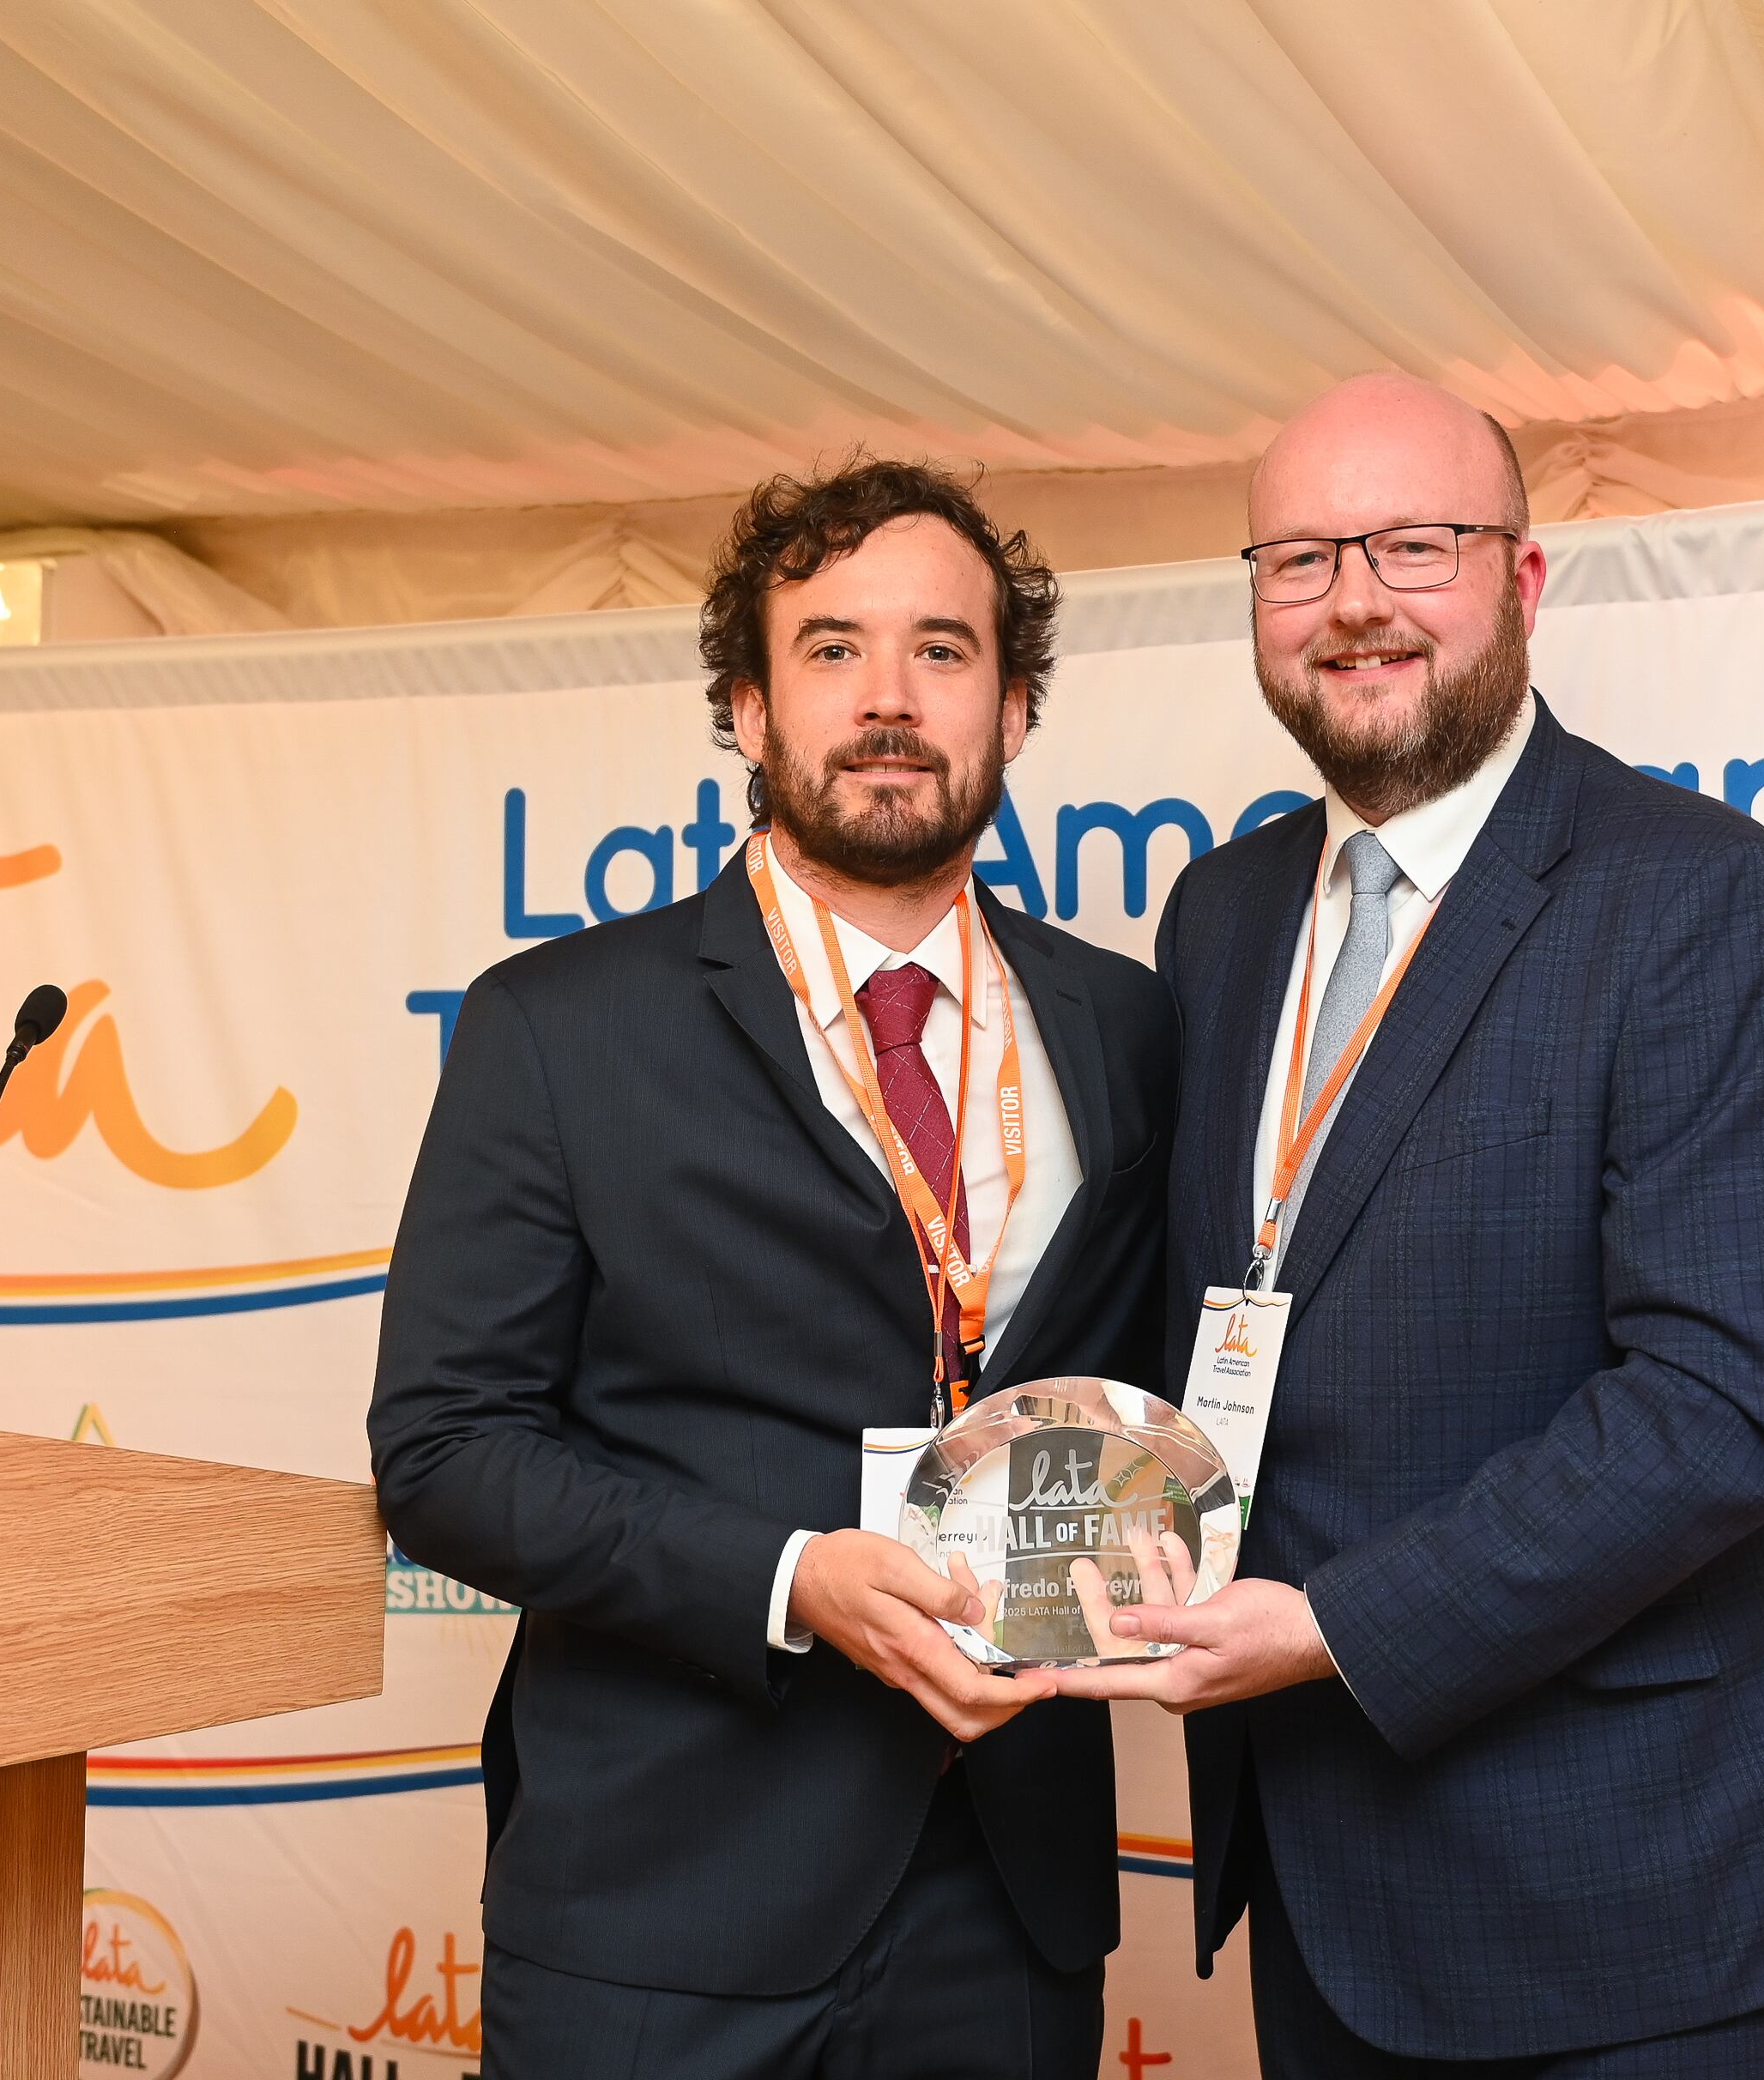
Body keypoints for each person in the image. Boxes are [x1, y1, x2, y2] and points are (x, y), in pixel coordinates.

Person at [1054, 373, 1764, 2077]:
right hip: (1326, 1867)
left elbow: (1719, 1411)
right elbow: (1201, 1319)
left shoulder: (1708, 901)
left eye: (1416, 545)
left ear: (1522, 583)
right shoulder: (1228, 915)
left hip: (1656, 1888)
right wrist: (954, 1552)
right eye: (1302, 558)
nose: (1359, 601)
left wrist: (1330, 1629)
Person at [370, 457, 1177, 2078]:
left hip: (1008, 1910)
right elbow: (445, 1454)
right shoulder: (558, 1029)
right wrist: (785, 1577)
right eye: (831, 650)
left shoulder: (1129, 1025)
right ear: (746, 707)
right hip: (661, 1913)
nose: (890, 699)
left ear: (1014, 710)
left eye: (944, 651)